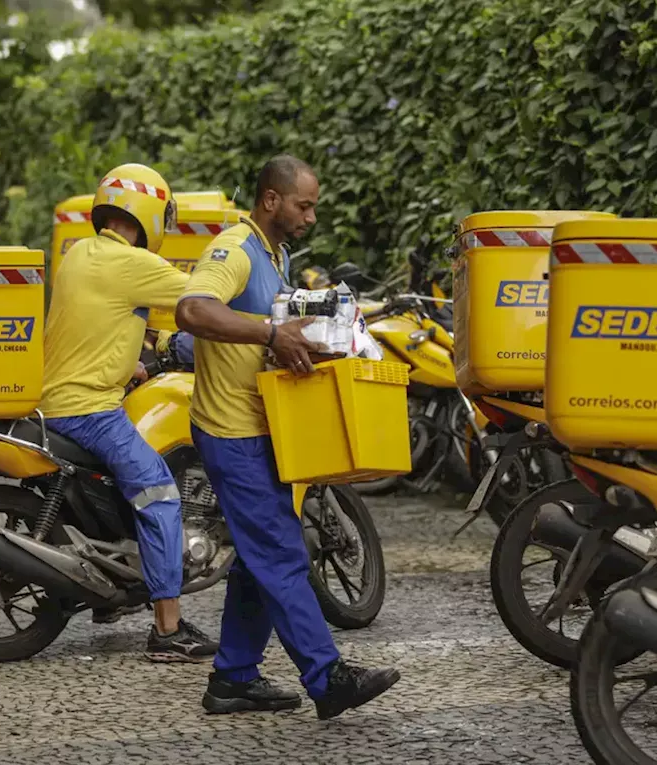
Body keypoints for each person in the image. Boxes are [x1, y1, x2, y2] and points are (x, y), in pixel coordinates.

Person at [175, 155, 401, 719]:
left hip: (262, 427)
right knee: (280, 551)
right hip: (230, 431)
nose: (312, 215)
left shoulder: (278, 256)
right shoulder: (236, 250)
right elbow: (192, 309)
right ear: (271, 200)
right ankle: (327, 679)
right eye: (305, 204)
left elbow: (270, 335)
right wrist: (272, 332)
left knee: (258, 558)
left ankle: (232, 678)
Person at [39, 162, 218, 663]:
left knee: (127, 487)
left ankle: (111, 594)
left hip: (56, 400)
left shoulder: (79, 255)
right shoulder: (131, 264)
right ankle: (168, 629)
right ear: (149, 212)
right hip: (89, 410)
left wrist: (135, 363)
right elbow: (204, 299)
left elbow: (101, 323)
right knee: (160, 495)